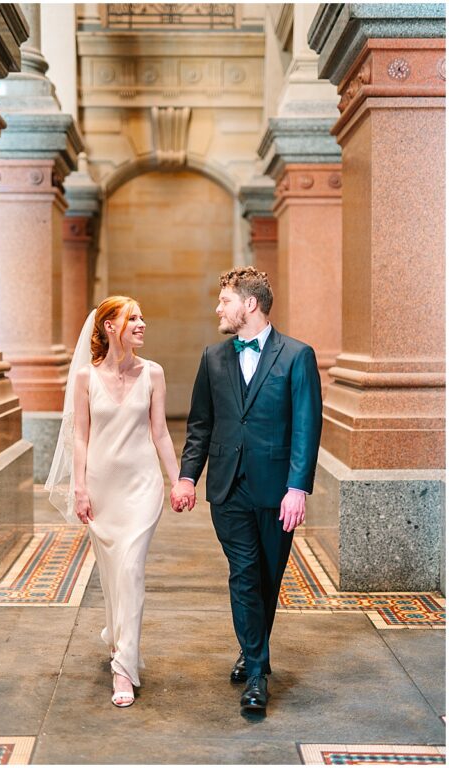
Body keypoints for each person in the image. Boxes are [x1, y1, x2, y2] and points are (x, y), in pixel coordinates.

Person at [171, 267, 322, 715]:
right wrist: (186, 477)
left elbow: (306, 427)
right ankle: (257, 672)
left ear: (249, 304)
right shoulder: (212, 358)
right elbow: (200, 425)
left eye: (225, 300)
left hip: (277, 491)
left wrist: (298, 488)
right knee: (243, 573)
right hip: (228, 488)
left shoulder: (297, 356)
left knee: (266, 579)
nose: (218, 308)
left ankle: (251, 649)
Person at [47, 297, 183, 708]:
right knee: (111, 575)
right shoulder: (85, 378)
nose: (143, 323)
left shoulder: (153, 373)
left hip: (142, 488)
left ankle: (123, 668)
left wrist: (179, 482)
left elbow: (160, 433)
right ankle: (118, 634)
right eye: (133, 318)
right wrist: (80, 487)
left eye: (142, 316)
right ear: (110, 327)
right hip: (102, 489)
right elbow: (81, 436)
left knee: (130, 569)